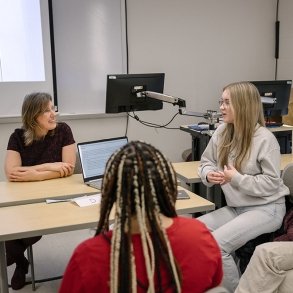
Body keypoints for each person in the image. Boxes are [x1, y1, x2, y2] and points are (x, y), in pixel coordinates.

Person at [59, 141, 223, 293]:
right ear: (168, 186)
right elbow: (214, 284)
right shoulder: (199, 236)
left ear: (112, 194)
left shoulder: (88, 257)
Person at [197, 82, 289, 292]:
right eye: (221, 102)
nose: (221, 107)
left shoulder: (265, 139)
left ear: (244, 105)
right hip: (238, 207)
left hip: (267, 208)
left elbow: (271, 183)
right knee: (194, 234)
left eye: (227, 102)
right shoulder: (222, 131)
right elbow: (206, 162)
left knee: (217, 246)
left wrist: (237, 179)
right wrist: (208, 175)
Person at [4, 92, 76, 290]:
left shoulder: (63, 131)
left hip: (55, 197)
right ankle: (21, 261)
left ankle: (16, 260)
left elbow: (68, 167)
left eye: (52, 108)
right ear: (33, 116)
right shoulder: (17, 137)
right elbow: (12, 173)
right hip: (25, 197)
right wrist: (52, 167)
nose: (53, 114)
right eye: (46, 110)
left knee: (28, 232)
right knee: (9, 227)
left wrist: (38, 175)